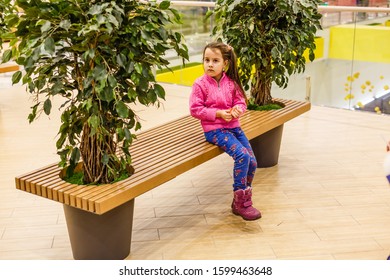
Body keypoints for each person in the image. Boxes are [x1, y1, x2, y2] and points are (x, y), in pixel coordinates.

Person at [189, 41, 261, 220]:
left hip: (234, 128)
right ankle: (241, 203)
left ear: (225, 64)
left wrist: (237, 110)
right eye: (206, 60)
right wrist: (218, 114)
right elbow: (195, 109)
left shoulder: (231, 83)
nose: (210, 64)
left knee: (252, 162)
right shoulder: (200, 84)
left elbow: (241, 101)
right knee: (242, 156)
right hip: (215, 131)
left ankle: (243, 198)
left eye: (215, 60)